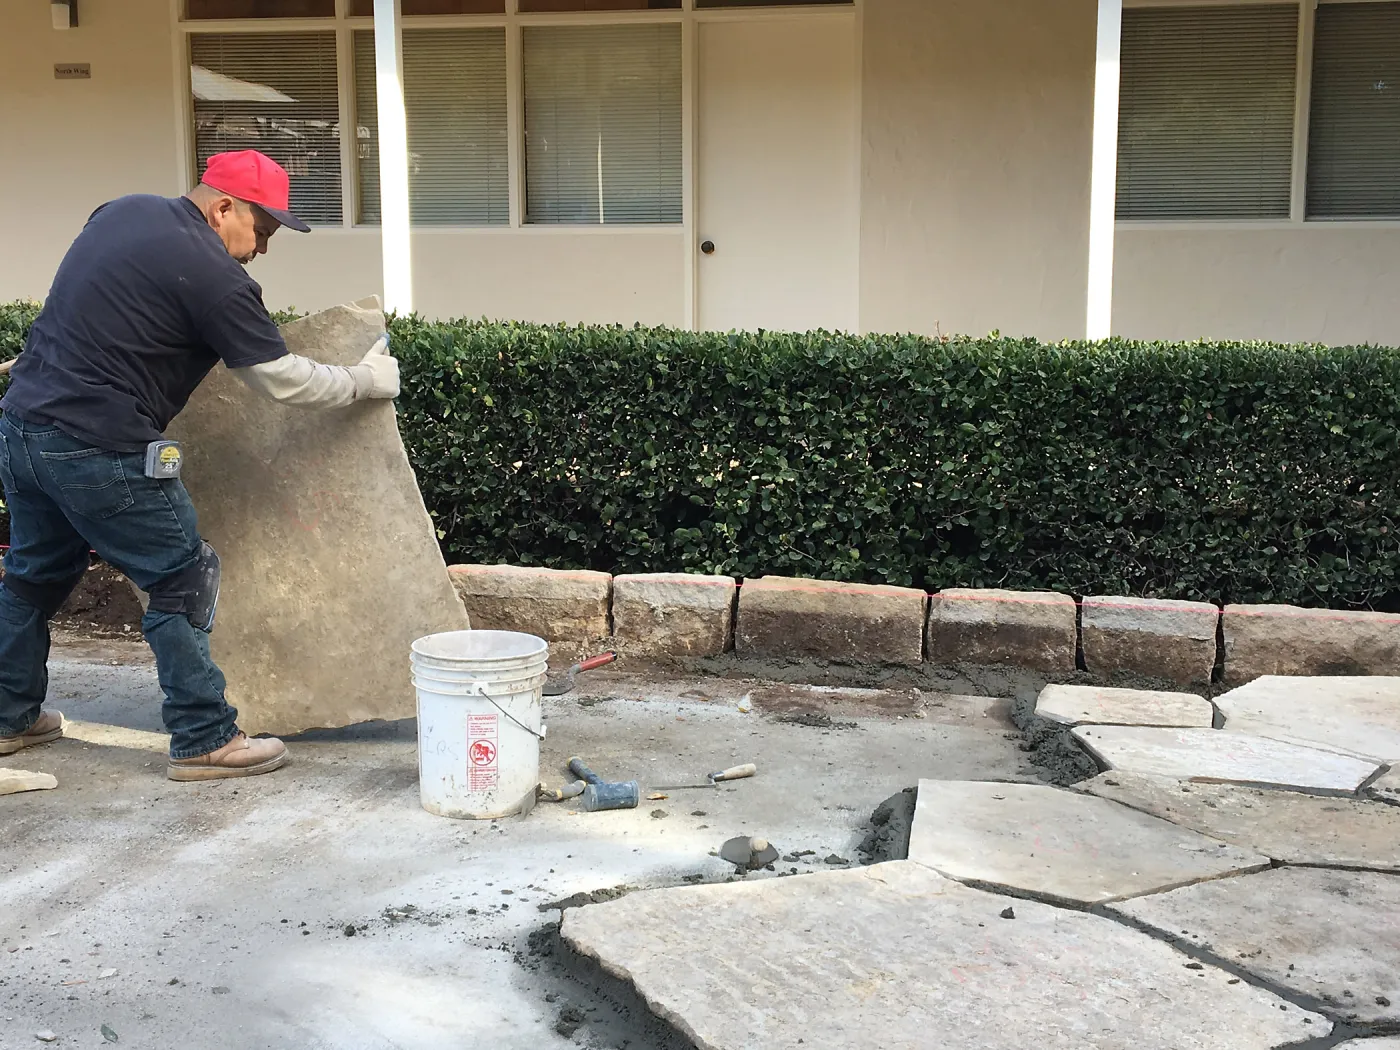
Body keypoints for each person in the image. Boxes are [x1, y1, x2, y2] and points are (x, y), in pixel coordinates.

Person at [0, 150, 399, 781]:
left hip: (23, 427)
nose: (261, 250)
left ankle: (7, 718)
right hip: (100, 444)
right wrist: (365, 380)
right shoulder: (218, 278)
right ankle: (204, 736)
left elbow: (98, 301)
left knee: (34, 573)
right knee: (182, 576)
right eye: (261, 231)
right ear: (223, 208)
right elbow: (281, 380)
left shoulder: (121, 211)